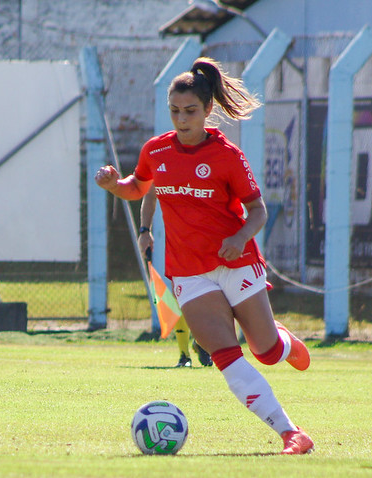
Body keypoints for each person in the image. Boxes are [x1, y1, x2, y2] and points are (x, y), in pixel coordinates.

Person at [96, 57, 314, 453]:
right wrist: (115, 185)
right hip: (188, 273)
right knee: (226, 357)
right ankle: (291, 432)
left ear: (208, 110)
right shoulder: (156, 149)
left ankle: (284, 343)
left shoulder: (226, 155)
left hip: (235, 262)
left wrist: (240, 236)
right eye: (175, 111)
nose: (181, 119)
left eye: (190, 111)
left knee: (264, 353)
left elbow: (258, 210)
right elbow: (139, 189)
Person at [138, 190, 213, 368]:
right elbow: (149, 191)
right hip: (180, 243)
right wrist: (145, 230)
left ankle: (201, 343)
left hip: (211, 239)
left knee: (213, 297)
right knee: (182, 296)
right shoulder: (164, 166)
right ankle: (184, 355)